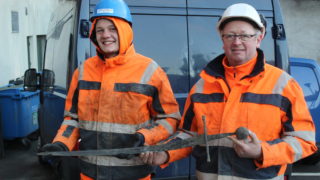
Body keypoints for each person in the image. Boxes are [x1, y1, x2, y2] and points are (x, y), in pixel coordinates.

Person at [140, 3, 317, 180]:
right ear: (222, 40)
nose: (237, 42)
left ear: (259, 37)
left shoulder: (283, 85)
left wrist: (262, 151)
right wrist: (165, 153)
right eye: (230, 36)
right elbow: (189, 135)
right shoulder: (202, 87)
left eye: (244, 35)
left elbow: (304, 141)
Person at [40, 0, 181, 179]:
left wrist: (144, 137)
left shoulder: (150, 70)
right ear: (93, 34)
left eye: (112, 28)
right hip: (91, 174)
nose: (106, 35)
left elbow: (170, 119)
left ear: (125, 29)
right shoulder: (83, 71)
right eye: (100, 30)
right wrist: (61, 143)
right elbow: (72, 119)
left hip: (133, 174)